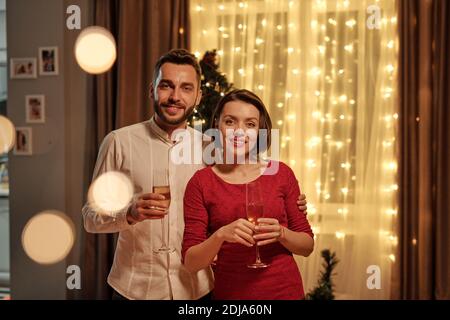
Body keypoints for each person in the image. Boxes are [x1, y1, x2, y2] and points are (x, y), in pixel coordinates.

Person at [82, 49, 308, 300]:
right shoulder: (118, 142)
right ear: (152, 89)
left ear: (198, 96)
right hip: (135, 287)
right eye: (166, 86)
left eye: (186, 88)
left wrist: (293, 206)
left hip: (196, 288)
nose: (175, 97)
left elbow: (246, 188)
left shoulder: (212, 149)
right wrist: (129, 213)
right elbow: (91, 218)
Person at [182, 89, 314, 300]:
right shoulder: (201, 182)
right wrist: (220, 235)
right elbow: (191, 262)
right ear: (217, 125)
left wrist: (282, 233)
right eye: (231, 121)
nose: (239, 132)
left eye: (250, 124)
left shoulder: (282, 174)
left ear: (261, 131)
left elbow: (307, 246)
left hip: (285, 293)